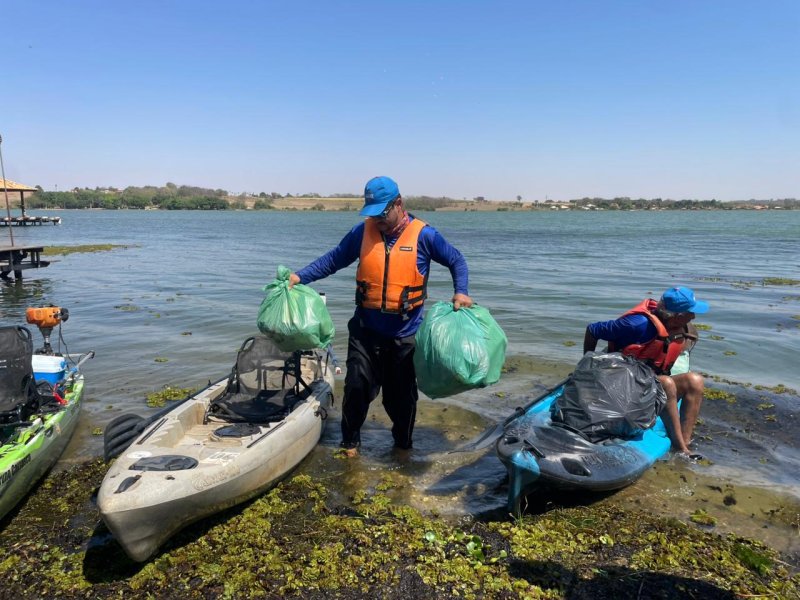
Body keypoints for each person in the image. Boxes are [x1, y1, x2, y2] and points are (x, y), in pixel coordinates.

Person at [289, 176, 472, 456]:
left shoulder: (425, 235)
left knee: (401, 400)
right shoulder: (362, 233)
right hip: (365, 331)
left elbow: (456, 260)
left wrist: (461, 292)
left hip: (405, 335)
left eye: (382, 214)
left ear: (398, 203)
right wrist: (300, 277)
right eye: (372, 214)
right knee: (356, 388)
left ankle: (403, 448)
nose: (377, 220)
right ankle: (349, 445)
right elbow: (334, 259)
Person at [583, 287, 708, 455]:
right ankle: (680, 448)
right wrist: (587, 365)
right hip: (618, 385)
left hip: (646, 383)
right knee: (666, 383)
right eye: (690, 313)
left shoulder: (679, 327)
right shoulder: (636, 324)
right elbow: (592, 330)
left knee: (695, 380)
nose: (693, 317)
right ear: (677, 315)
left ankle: (685, 442)